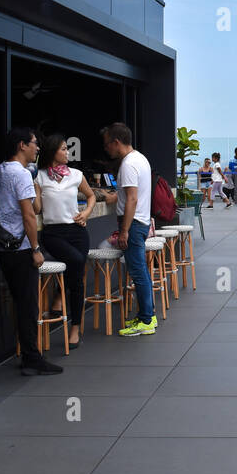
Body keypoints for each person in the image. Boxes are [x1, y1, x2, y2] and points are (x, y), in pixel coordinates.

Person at [0, 128, 62, 374]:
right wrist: (35, 248)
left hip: (3, 248)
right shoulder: (20, 174)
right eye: (34, 143)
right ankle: (32, 359)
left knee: (21, 303)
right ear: (22, 145)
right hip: (21, 249)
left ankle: (28, 354)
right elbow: (29, 214)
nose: (38, 148)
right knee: (29, 306)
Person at [34, 133, 96, 348]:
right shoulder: (40, 177)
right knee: (77, 262)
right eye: (63, 149)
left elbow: (91, 196)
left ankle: (75, 327)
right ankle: (59, 297)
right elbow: (37, 209)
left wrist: (86, 213)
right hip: (53, 234)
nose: (67, 152)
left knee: (77, 279)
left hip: (77, 231)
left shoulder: (76, 175)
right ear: (53, 152)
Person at [101, 122, 155, 336]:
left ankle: (146, 321)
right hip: (140, 222)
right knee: (141, 272)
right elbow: (130, 195)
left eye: (107, 145)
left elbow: (132, 198)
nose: (106, 149)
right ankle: (147, 316)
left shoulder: (127, 165)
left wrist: (124, 231)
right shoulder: (140, 159)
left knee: (138, 273)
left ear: (116, 142)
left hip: (133, 224)